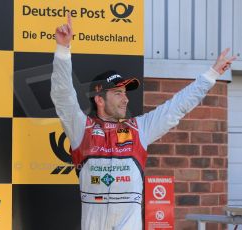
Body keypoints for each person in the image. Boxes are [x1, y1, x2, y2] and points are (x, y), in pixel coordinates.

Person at [50, 14, 236, 230]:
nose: (126, 98)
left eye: (125, 93)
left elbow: (176, 106)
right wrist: (63, 50)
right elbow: (63, 96)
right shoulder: (81, 129)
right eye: (118, 93)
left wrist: (211, 74)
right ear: (99, 99)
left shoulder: (140, 129)